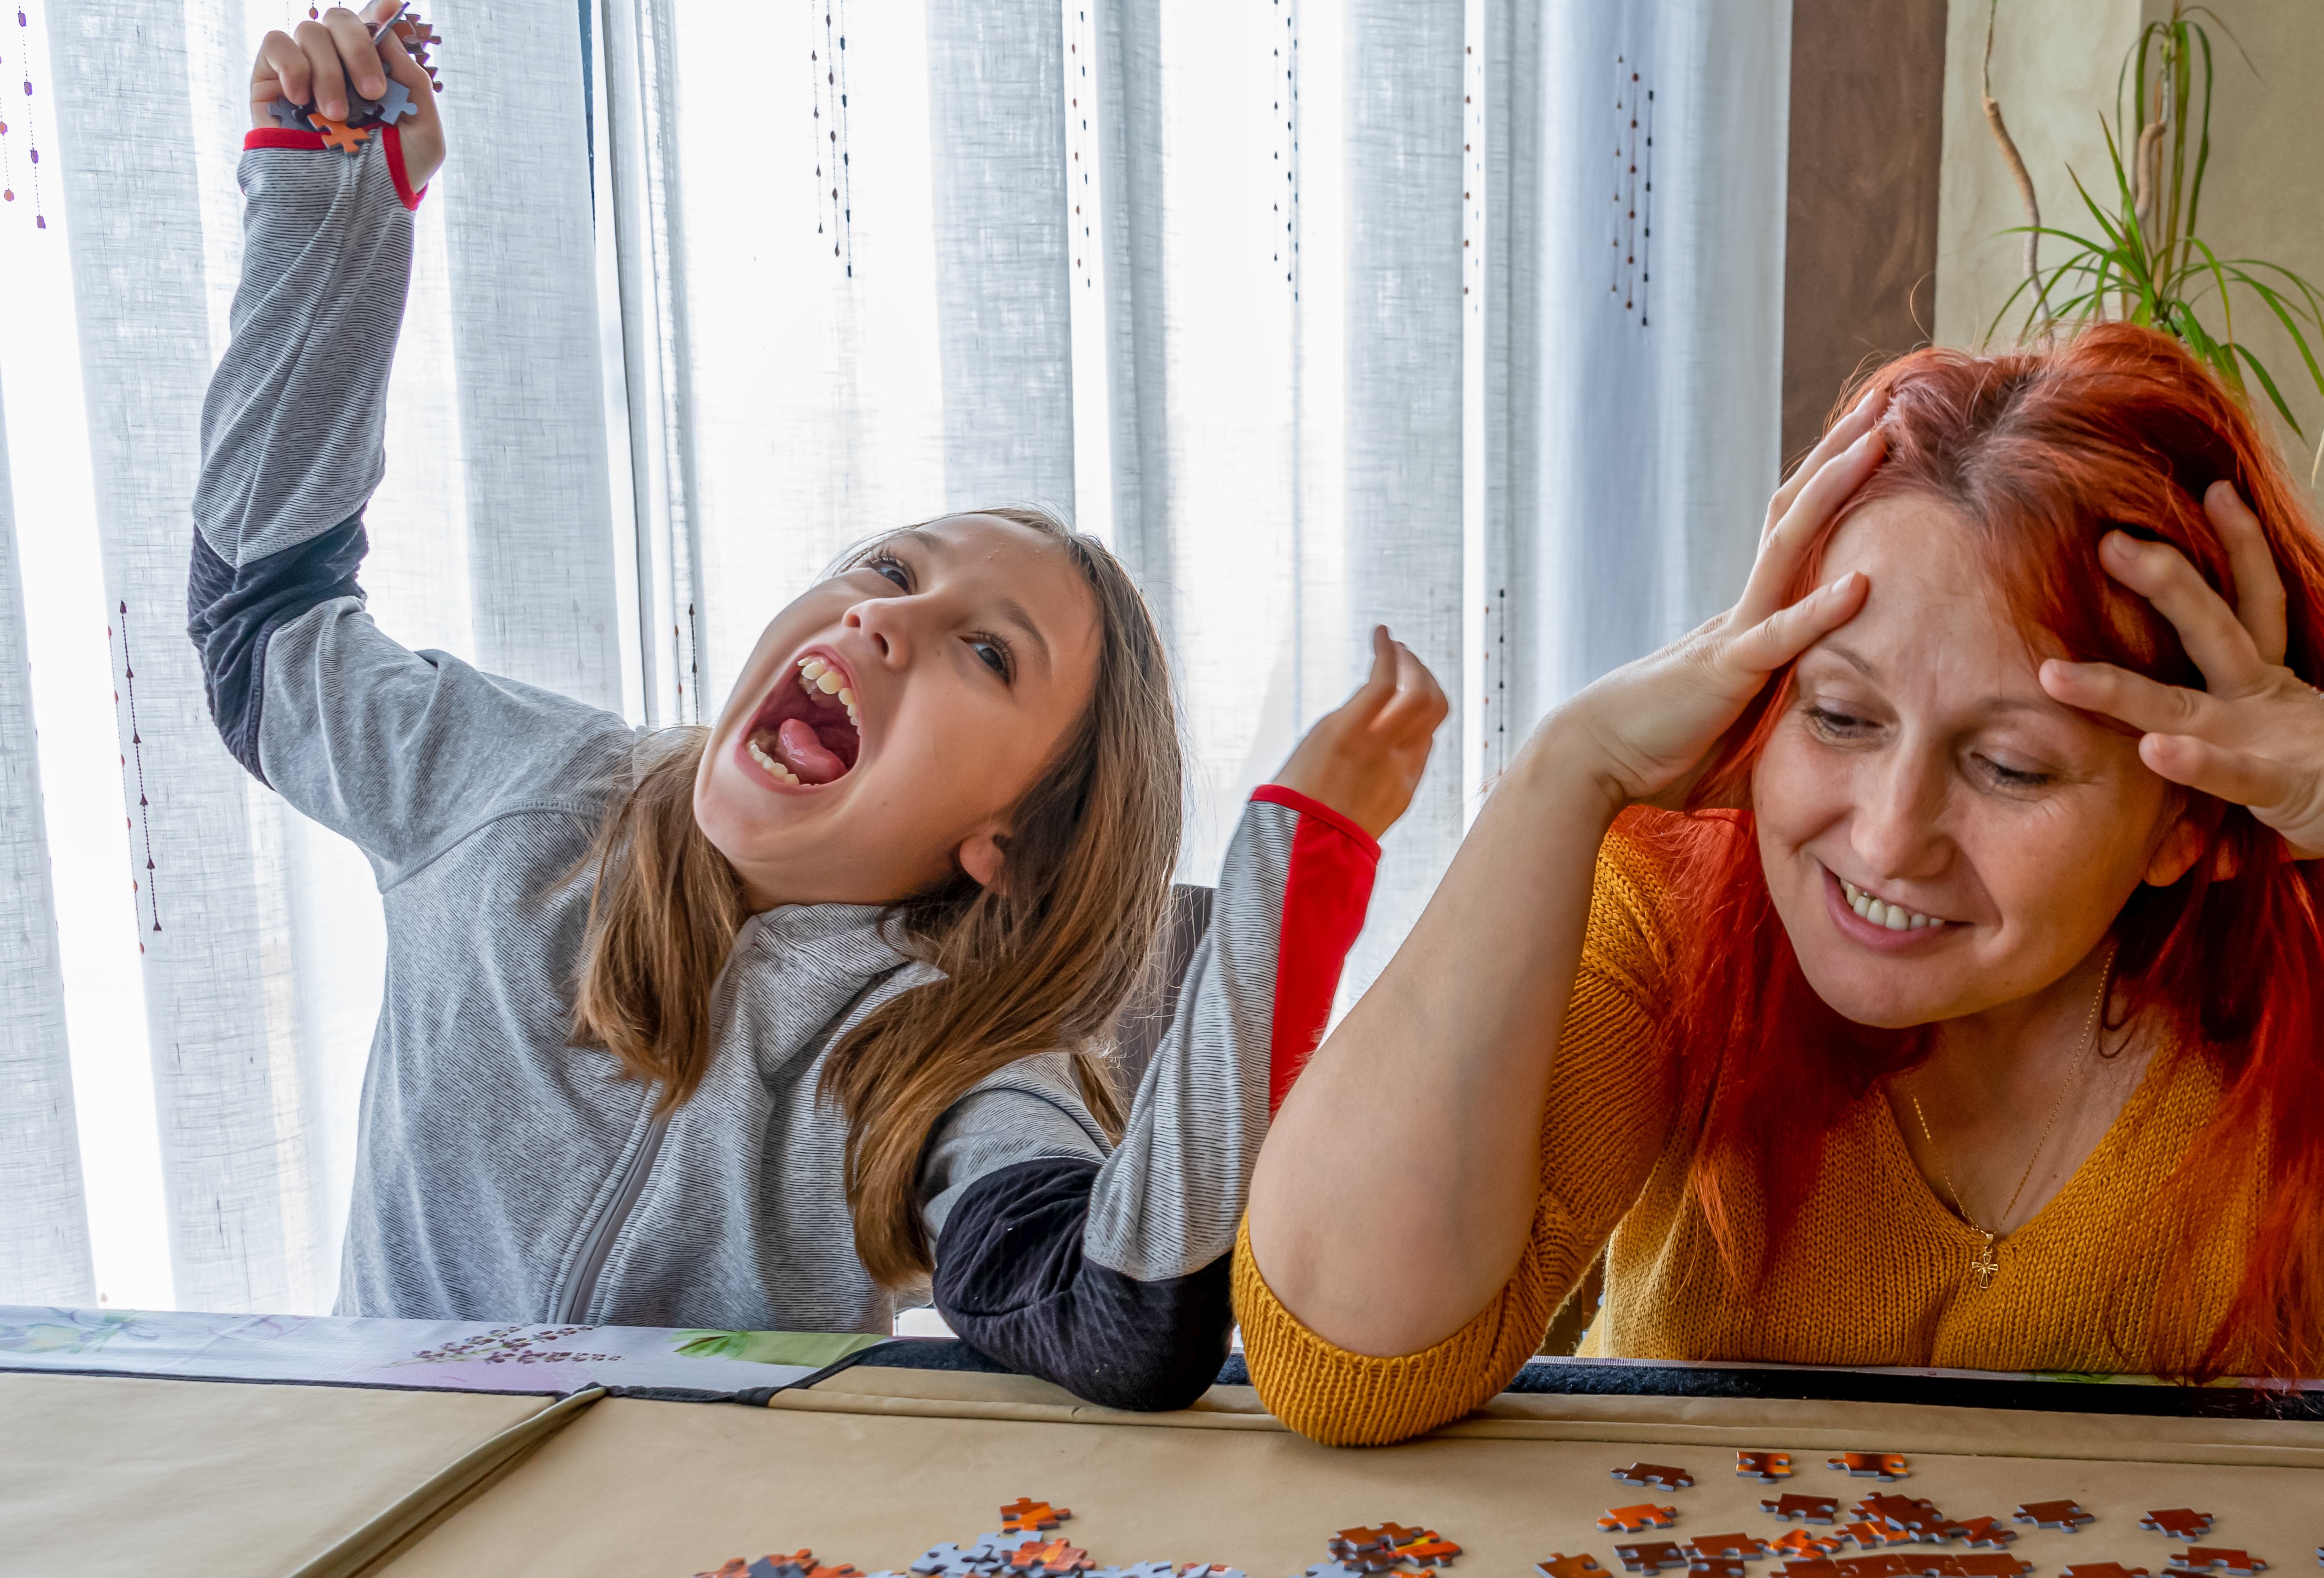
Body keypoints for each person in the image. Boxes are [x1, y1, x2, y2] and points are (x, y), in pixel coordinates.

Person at [1237, 327, 2324, 1572]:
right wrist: (1566, 769)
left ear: (2194, 815)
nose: (1882, 837)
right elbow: (1342, 1360)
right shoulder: (1673, 889)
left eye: (2011, 768)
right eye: (1838, 716)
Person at [192, 5, 1448, 1408]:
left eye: (986, 652)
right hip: (365, 1513)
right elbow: (266, 628)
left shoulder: (949, 1059)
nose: (883, 616)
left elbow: (1119, 1327)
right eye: (888, 569)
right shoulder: (513, 791)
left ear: (1014, 841)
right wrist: (339, 217)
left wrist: (1304, 863)